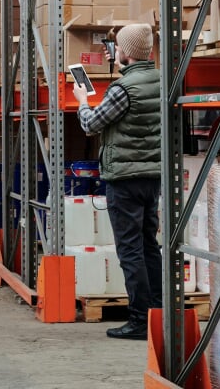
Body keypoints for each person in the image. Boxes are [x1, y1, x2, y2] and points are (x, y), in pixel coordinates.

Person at [72, 23, 162, 341]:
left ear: (127, 51)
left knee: (130, 250)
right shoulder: (161, 80)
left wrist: (82, 100)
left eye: (119, 47)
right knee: (149, 246)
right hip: (152, 177)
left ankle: (138, 320)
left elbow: (91, 124)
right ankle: (157, 313)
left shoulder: (123, 89)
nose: (116, 51)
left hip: (125, 179)